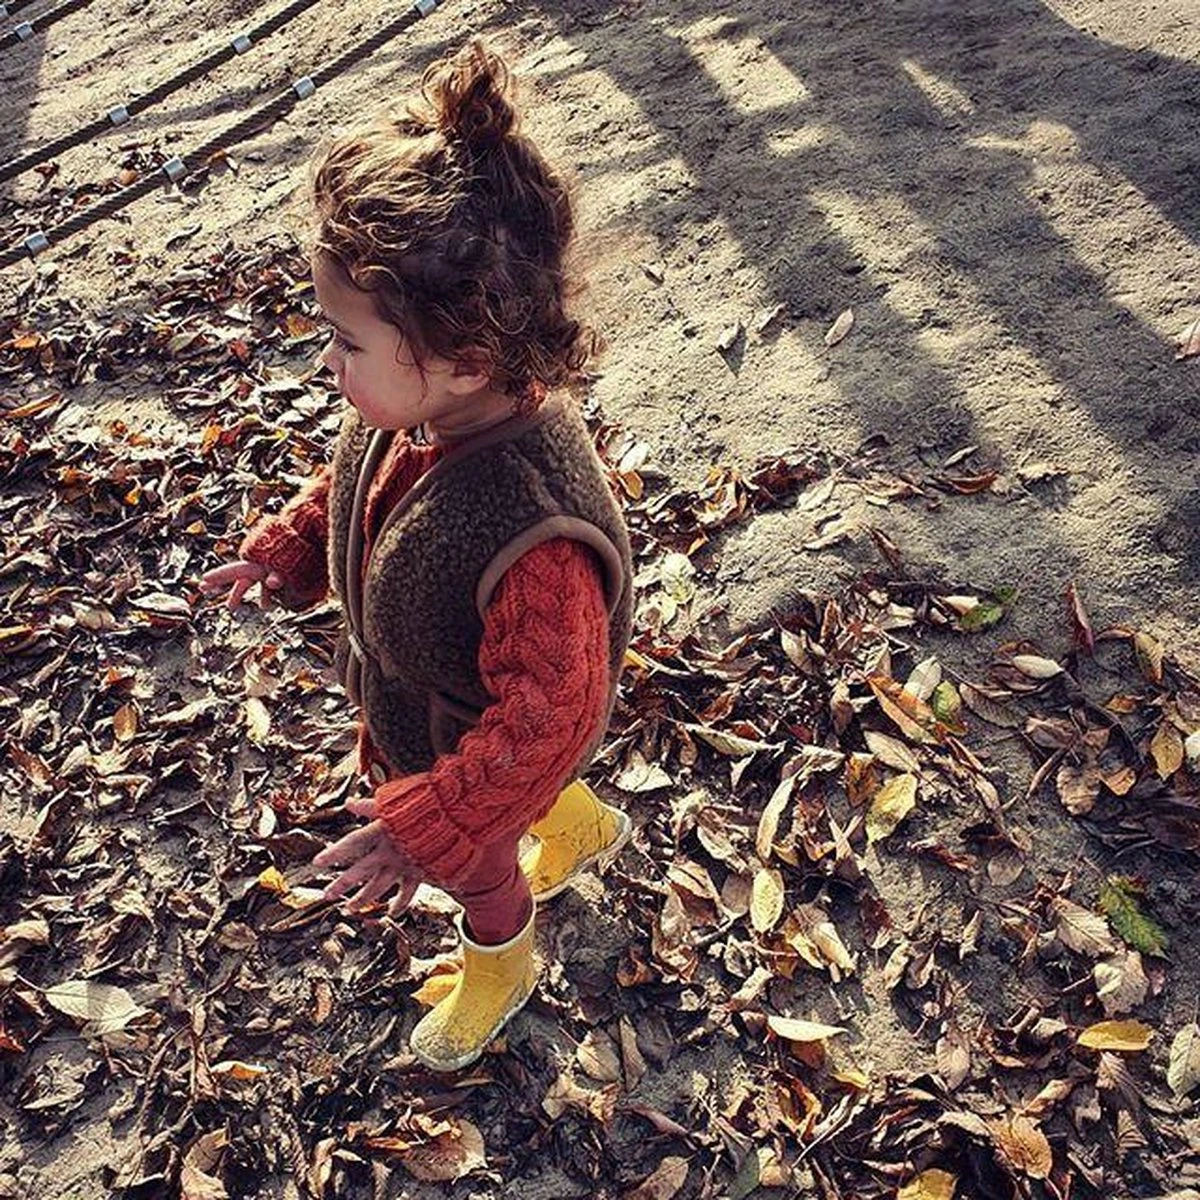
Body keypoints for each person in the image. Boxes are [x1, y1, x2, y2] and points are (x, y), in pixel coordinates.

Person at [199, 41, 634, 1072]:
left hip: (476, 760)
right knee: (522, 791)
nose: (328, 362)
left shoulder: (533, 534)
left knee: (481, 873)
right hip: (448, 728)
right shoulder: (423, 411)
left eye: (347, 343)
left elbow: (546, 718)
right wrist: (290, 549)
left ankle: (502, 964)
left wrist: (427, 826)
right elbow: (361, 491)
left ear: (466, 360)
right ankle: (579, 825)